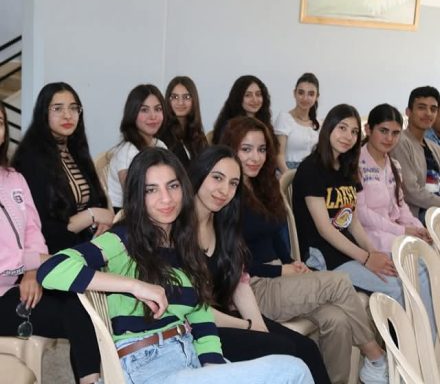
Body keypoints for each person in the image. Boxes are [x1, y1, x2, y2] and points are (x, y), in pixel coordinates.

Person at [37, 148, 314, 384]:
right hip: (148, 366)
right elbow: (51, 270)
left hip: (187, 358)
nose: (166, 199)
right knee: (293, 370)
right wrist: (135, 286)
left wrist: (215, 366)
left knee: (284, 366)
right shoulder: (123, 239)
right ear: (137, 196)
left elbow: (201, 319)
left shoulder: (184, 245)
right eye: (151, 190)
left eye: (172, 186)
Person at [219, 115, 388, 384]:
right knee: (340, 282)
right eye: (246, 149)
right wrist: (280, 271)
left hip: (279, 278)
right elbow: (231, 262)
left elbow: (275, 237)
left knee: (337, 320)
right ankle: (376, 356)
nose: (255, 158)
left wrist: (291, 262)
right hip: (253, 287)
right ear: (231, 149)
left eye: (261, 150)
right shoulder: (225, 195)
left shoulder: (262, 186)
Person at [189, 145, 331, 383]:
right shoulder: (178, 228)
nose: (224, 190)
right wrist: (248, 326)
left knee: (306, 348)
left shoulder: (224, 223)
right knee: (282, 350)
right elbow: (190, 309)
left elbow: (240, 282)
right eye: (217, 178)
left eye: (233, 183)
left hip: (228, 315)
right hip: (198, 329)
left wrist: (258, 325)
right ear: (198, 175)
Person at [292, 104, 435, 334]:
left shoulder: (347, 167)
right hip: (324, 258)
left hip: (350, 253)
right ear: (328, 128)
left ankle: (428, 344)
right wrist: (367, 258)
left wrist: (373, 253)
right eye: (342, 128)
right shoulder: (311, 169)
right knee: (398, 288)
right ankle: (406, 350)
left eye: (353, 131)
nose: (348, 136)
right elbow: (325, 229)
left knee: (417, 273)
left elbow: (354, 222)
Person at [0, 102, 101, 384]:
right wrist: (35, 263)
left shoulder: (13, 179)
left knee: (81, 303)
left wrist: (33, 273)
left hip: (20, 283)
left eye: (0, 122)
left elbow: (33, 230)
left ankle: (91, 380)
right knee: (75, 313)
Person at [12, 82, 113, 254]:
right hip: (53, 254)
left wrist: (102, 221)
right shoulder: (31, 159)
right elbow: (45, 229)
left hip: (85, 246)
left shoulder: (75, 151)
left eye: (73, 108)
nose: (67, 115)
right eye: (57, 109)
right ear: (43, 113)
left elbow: (99, 202)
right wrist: (92, 214)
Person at [358, 103, 431, 252]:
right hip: (367, 234)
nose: (389, 138)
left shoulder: (395, 166)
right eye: (383, 131)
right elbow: (361, 213)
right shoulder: (355, 164)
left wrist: (418, 228)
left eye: (396, 133)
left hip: (394, 230)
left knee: (430, 244)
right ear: (368, 129)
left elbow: (401, 205)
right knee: (411, 251)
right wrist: (402, 231)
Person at [107, 84, 167, 211]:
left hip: (154, 207)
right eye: (144, 110)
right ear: (132, 114)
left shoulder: (160, 145)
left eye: (158, 109)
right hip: (125, 213)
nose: (153, 116)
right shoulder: (127, 152)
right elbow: (133, 198)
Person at [391, 86, 440, 223]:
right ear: (408, 112)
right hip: (416, 216)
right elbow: (410, 192)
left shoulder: (434, 147)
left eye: (433, 109)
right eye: (421, 108)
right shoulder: (400, 142)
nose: (428, 113)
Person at [212, 75, 276, 146]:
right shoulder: (229, 128)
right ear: (238, 98)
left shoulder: (266, 124)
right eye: (248, 95)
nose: (255, 100)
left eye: (258, 94)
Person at [275, 73, 320, 173]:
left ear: (317, 97)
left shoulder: (317, 123)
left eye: (311, 94)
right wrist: (289, 178)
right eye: (301, 93)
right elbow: (279, 155)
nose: (305, 98)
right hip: (287, 172)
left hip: (310, 172)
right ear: (294, 93)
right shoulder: (284, 118)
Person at [160, 76, 208, 168]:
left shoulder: (198, 135)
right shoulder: (162, 134)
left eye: (186, 97)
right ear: (168, 100)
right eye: (175, 97)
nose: (180, 102)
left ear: (194, 100)